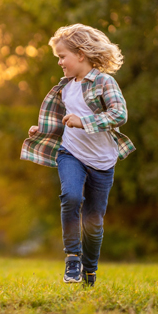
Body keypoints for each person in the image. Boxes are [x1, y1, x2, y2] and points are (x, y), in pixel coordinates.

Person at [21, 24, 135, 287]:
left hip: (102, 161)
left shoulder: (105, 82)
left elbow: (120, 115)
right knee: (71, 196)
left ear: (81, 54)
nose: (59, 62)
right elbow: (65, 121)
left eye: (62, 56)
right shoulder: (65, 87)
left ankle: (90, 273)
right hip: (70, 153)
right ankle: (72, 258)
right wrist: (43, 129)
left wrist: (84, 122)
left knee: (93, 222)